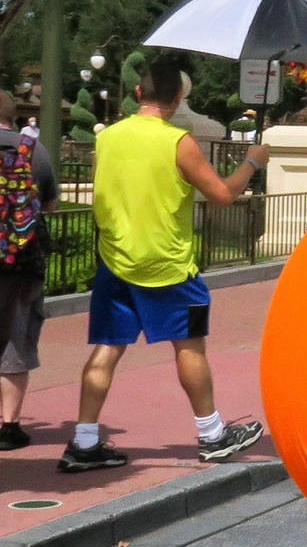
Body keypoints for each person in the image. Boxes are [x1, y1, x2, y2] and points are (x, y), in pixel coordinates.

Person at [61, 60, 269, 473]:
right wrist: (253, 162)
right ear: (178, 99)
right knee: (189, 346)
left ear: (138, 94)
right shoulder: (178, 141)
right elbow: (223, 195)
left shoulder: (108, 138)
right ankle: (212, 435)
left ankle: (84, 443)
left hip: (115, 259)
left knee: (107, 347)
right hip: (167, 265)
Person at [0, 90, 57, 451]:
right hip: (21, 262)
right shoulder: (32, 149)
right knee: (15, 339)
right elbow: (48, 203)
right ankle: (9, 428)